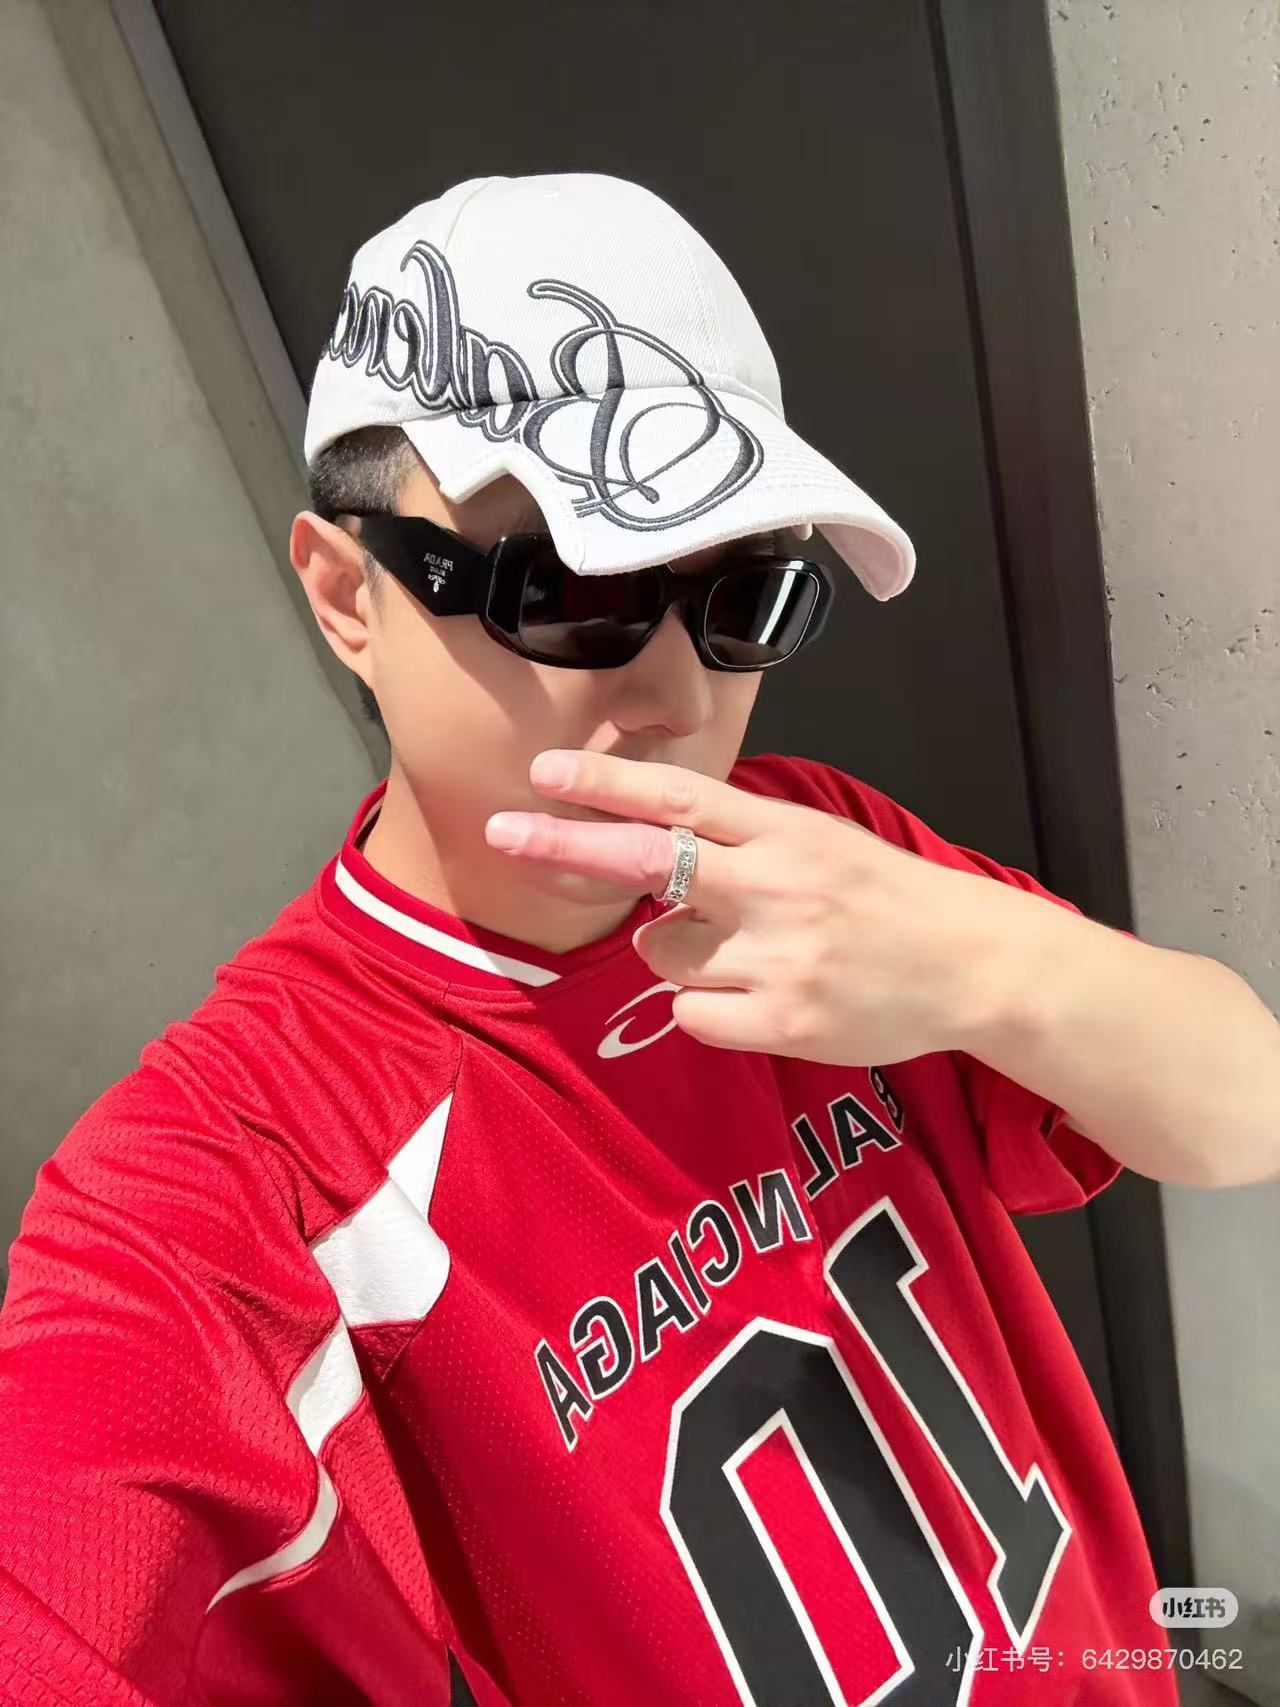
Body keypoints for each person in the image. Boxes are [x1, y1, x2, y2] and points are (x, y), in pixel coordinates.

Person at [1, 172, 1276, 1707]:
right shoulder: (250, 1162)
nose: (681, 699)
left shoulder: (820, 856)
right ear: (347, 593)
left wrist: (987, 967)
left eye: (745, 596)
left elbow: (1244, 1109)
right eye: (566, 589)